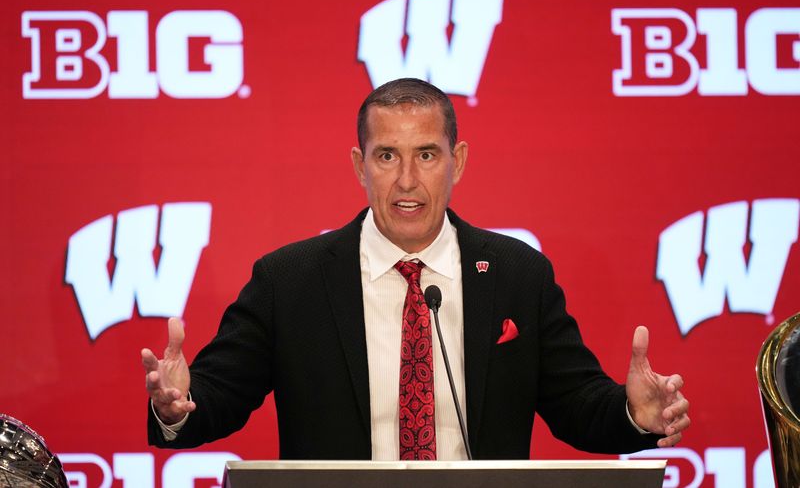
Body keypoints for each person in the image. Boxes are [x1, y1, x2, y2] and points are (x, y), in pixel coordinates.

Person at [142, 78, 690, 460]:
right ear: (360, 166)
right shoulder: (290, 282)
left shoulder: (518, 275)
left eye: (427, 154)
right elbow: (216, 398)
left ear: (460, 161)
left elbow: (576, 406)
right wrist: (178, 407)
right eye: (387, 156)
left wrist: (632, 413)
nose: (407, 180)